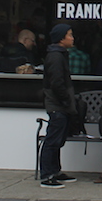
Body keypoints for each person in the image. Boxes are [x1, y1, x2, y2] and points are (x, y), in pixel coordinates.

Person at [39, 23, 78, 189]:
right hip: (57, 105)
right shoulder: (55, 57)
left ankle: (55, 170)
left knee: (58, 139)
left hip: (60, 104)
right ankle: (47, 175)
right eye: (69, 34)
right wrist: (66, 101)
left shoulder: (60, 55)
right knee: (52, 140)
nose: (72, 37)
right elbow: (57, 83)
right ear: (61, 38)